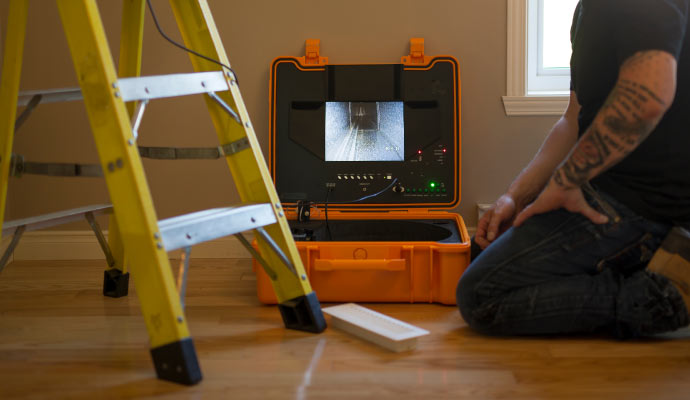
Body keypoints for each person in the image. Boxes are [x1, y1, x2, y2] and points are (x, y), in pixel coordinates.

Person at [456, 0, 690, 338]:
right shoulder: (589, 10)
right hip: (609, 189)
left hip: (646, 204)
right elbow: (572, 120)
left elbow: (647, 93)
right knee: (483, 246)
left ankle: (661, 297)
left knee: (481, 295)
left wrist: (566, 181)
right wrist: (515, 197)